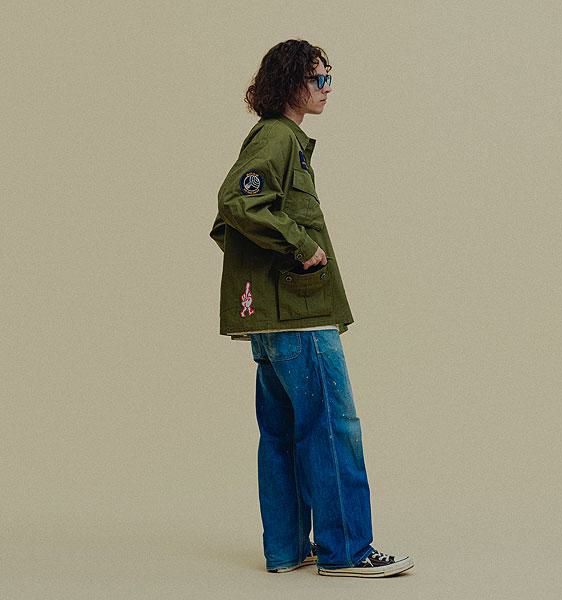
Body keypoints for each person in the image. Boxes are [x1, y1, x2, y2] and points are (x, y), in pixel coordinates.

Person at [209, 39, 414, 578]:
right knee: (331, 429)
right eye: (318, 78)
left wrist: (264, 271)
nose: (327, 88)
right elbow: (236, 203)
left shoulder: (279, 140)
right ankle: (347, 551)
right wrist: (300, 247)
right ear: (290, 83)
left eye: (328, 78)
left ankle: (286, 550)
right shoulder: (278, 137)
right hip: (300, 318)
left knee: (282, 435)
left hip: (277, 318)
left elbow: (233, 219)